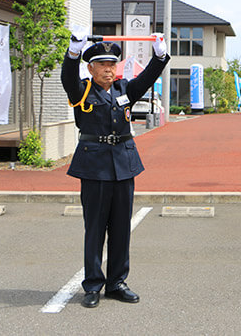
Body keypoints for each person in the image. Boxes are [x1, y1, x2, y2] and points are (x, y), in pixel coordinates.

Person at [61, 30, 170, 308]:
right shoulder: (81, 90)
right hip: (94, 166)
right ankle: (93, 285)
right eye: (102, 64)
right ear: (91, 68)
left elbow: (147, 78)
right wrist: (73, 51)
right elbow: (67, 78)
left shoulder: (125, 90)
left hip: (123, 163)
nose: (108, 69)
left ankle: (117, 282)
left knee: (121, 228)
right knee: (95, 228)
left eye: (112, 64)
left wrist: (160, 55)